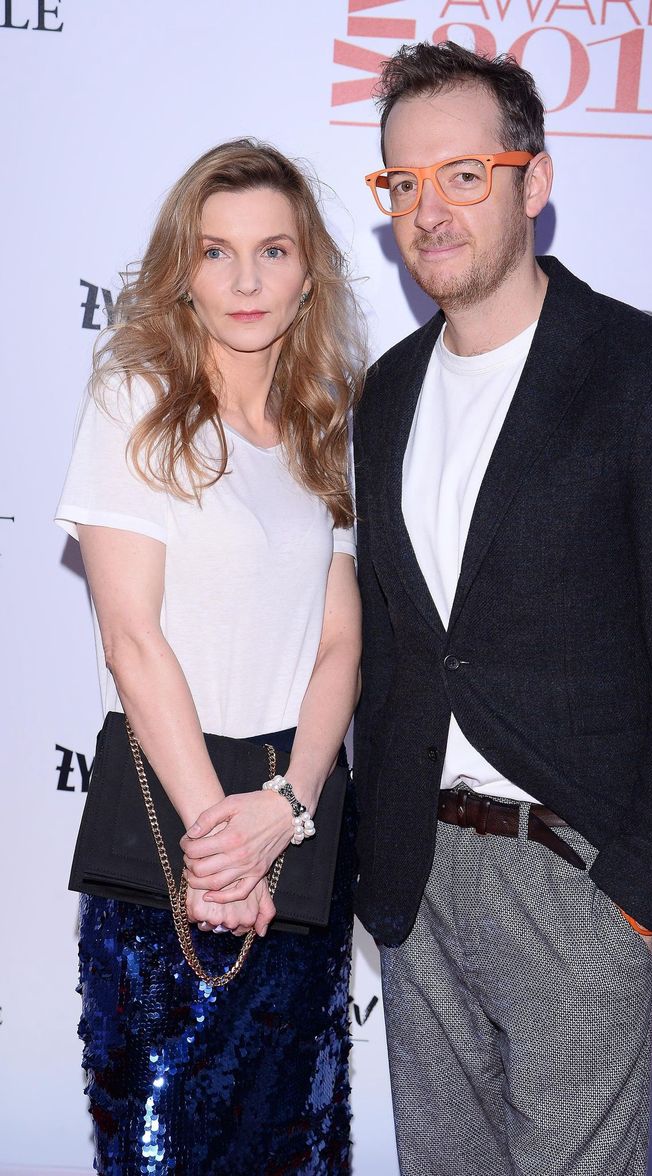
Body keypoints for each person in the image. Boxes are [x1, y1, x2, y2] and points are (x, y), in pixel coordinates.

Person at [353, 41, 652, 1176]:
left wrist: (638, 893)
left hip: (576, 871)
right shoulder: (384, 394)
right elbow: (394, 645)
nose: (429, 210)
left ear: (533, 181)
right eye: (403, 184)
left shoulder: (650, 373)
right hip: (415, 872)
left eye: (463, 174)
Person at [55, 139, 363, 1174]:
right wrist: (219, 841)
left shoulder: (325, 422)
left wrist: (289, 805)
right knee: (161, 1144)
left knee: (295, 1138)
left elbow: (340, 641)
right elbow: (132, 639)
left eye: (273, 250)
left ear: (308, 271)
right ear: (182, 270)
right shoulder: (135, 400)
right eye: (216, 251)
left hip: (297, 824)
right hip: (169, 823)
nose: (245, 280)